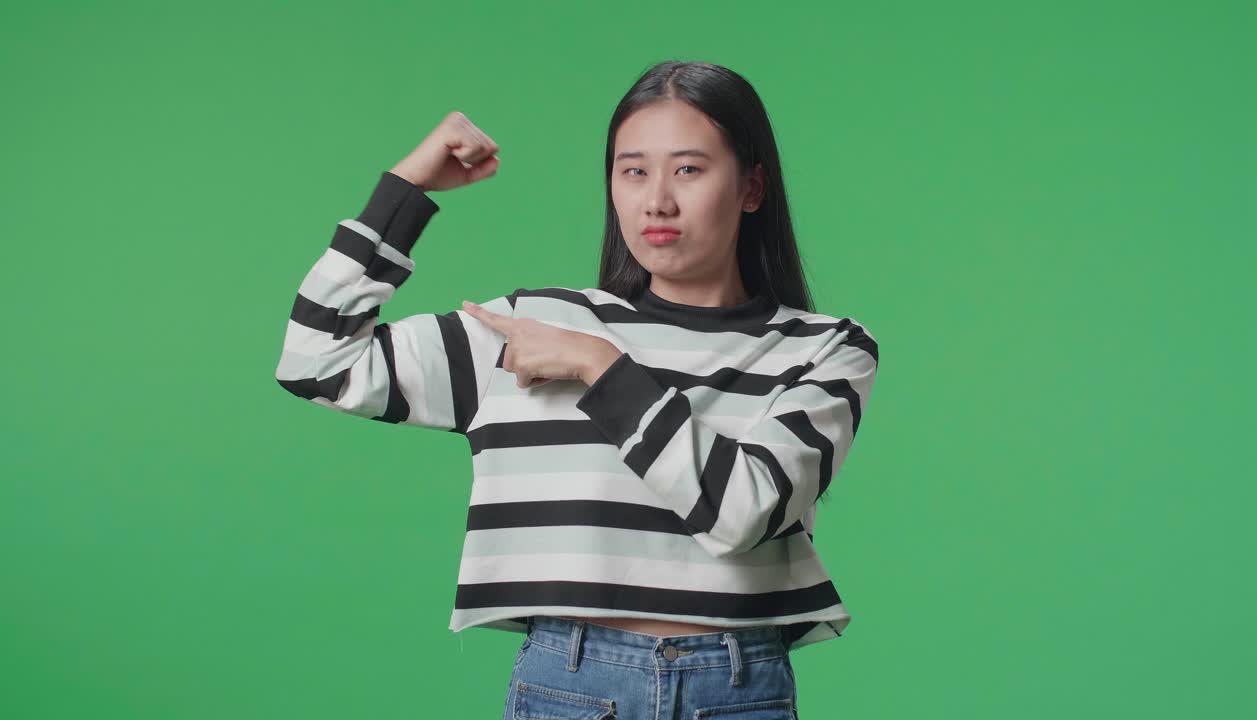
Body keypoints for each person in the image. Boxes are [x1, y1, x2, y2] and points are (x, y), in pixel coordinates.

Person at [275, 60, 879, 720]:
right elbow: (316, 361)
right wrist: (406, 188)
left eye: (688, 169)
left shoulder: (824, 349)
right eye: (633, 171)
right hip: (570, 685)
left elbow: (741, 513)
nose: (657, 201)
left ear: (751, 188)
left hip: (737, 689)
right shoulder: (535, 327)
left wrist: (601, 366)